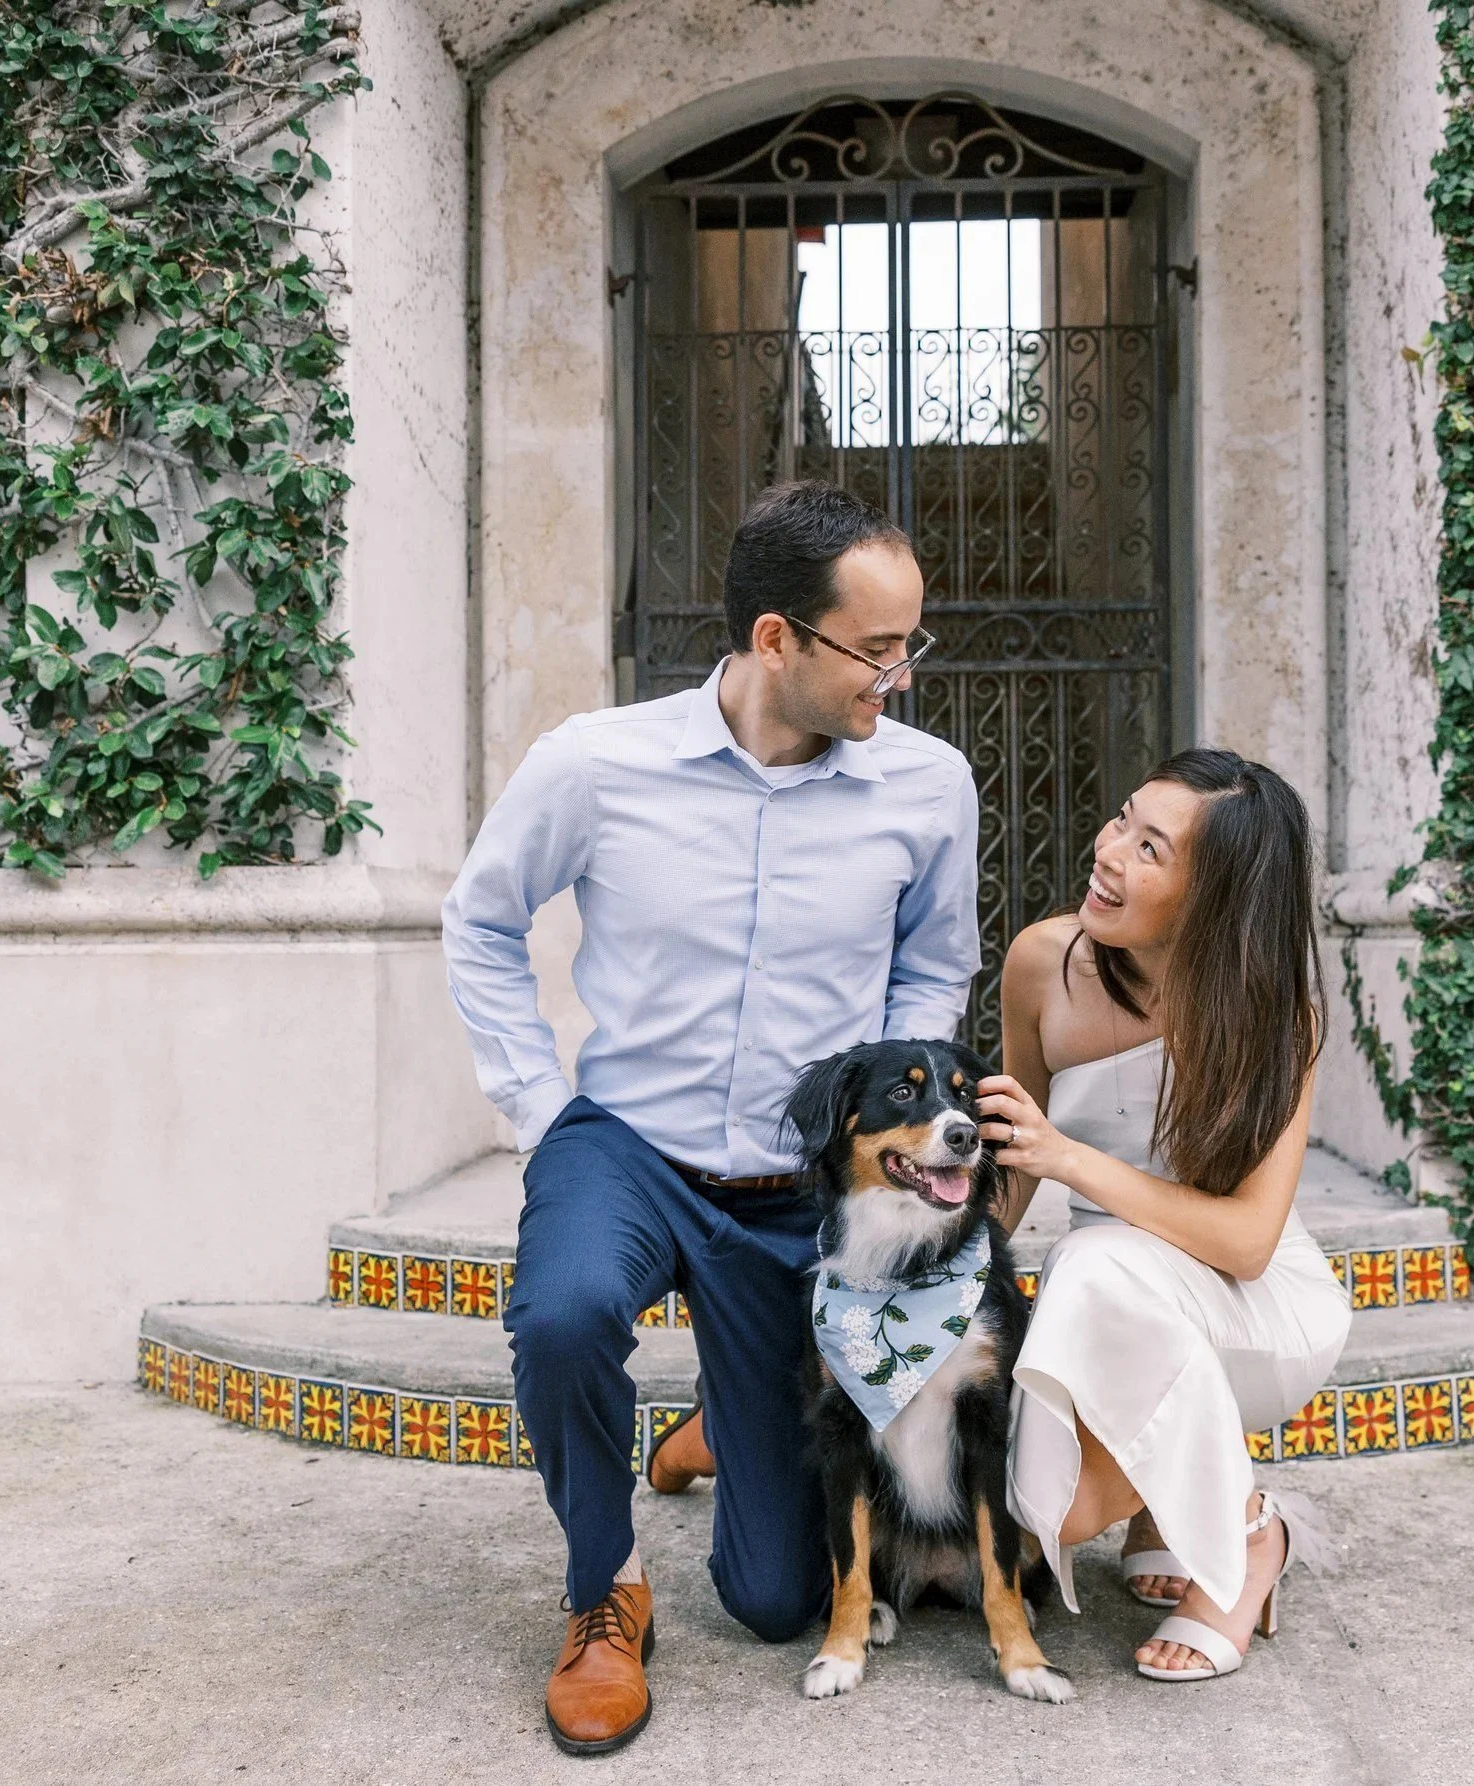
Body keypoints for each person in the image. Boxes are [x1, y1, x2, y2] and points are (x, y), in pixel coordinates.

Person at [442, 481, 979, 1756]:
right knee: (567, 1314)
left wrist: (893, 1137)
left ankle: (715, 1429)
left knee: (777, 1602)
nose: (898, 676)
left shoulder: (926, 785)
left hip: (796, 1191)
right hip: (626, 1142)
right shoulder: (595, 760)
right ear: (776, 639)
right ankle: (602, 1587)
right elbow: (482, 919)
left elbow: (930, 970)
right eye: (877, 646)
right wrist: (542, 1108)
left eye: (913, 643)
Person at [977, 748, 1352, 1683]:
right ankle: (1161, 1508)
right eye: (1121, 820)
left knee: (1093, 1262)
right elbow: (1012, 1174)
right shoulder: (1042, 963)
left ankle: (1248, 1533)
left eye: (1151, 849)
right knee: (1038, 1515)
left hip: (1254, 1313)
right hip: (1116, 1306)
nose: (1109, 852)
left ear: (1214, 897)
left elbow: (1246, 1242)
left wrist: (1073, 1159)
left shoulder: (1275, 1015)